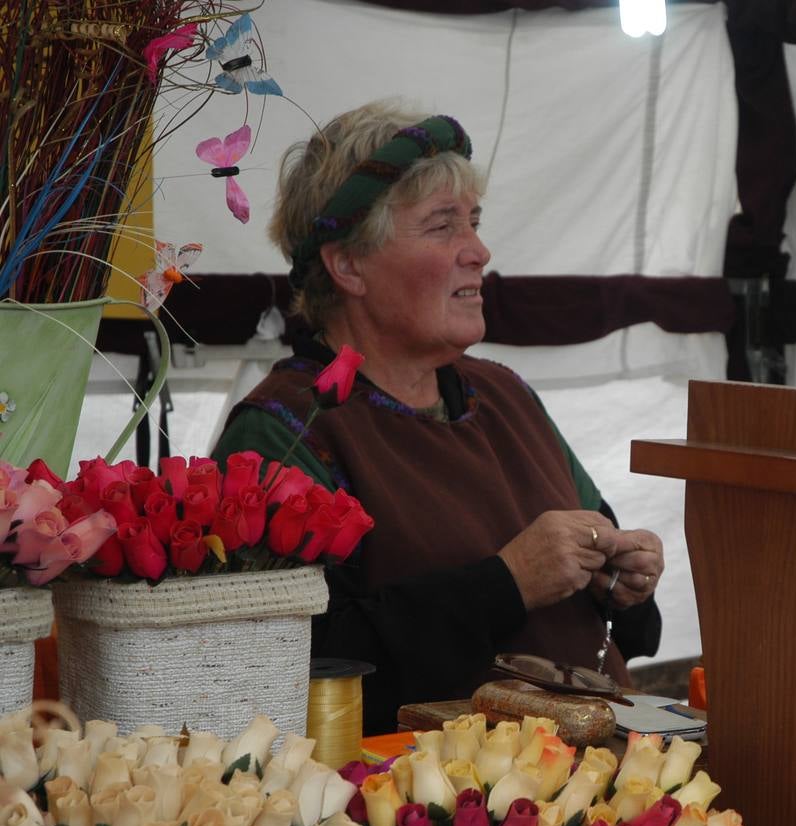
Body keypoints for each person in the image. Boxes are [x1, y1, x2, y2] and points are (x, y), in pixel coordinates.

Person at [212, 101, 663, 733]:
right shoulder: (286, 433)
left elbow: (622, 626)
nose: (478, 250)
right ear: (347, 265)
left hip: (602, 786)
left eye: (474, 222)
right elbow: (293, 667)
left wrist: (626, 585)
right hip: (432, 814)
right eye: (441, 225)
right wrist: (507, 583)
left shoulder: (505, 395)